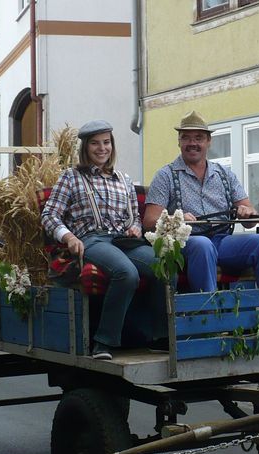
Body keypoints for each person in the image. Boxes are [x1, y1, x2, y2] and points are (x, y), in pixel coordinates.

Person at [41, 119, 167, 360]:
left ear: (112, 145)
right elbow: (49, 215)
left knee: (162, 266)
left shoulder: (124, 179)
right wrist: (68, 236)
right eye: (95, 143)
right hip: (91, 239)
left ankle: (159, 336)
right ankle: (103, 342)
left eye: (106, 142)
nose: (102, 148)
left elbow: (134, 218)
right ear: (85, 148)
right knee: (126, 273)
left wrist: (134, 228)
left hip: (123, 241)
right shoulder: (71, 177)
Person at [143, 110, 259, 292]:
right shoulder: (165, 175)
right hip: (187, 243)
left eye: (198, 138)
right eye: (186, 138)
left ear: (208, 142)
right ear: (179, 141)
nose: (192, 143)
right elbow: (149, 222)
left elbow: (251, 219)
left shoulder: (224, 174)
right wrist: (176, 220)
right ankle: (209, 311)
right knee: (203, 246)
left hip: (222, 241)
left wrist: (246, 213)